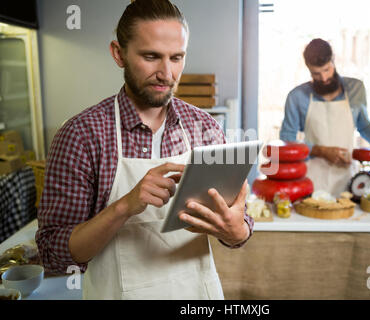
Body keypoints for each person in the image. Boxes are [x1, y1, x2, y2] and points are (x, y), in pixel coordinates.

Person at [36, 0, 253, 300]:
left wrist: (235, 231)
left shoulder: (205, 128)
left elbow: (240, 229)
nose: (167, 73)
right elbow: (53, 254)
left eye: (177, 57)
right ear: (118, 53)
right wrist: (125, 206)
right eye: (151, 56)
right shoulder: (81, 136)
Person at [280, 38, 370, 196]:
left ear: (333, 61)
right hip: (310, 182)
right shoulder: (297, 96)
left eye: (327, 70)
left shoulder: (356, 89)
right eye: (316, 73)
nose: (323, 78)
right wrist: (320, 151)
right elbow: (287, 140)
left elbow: (364, 126)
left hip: (347, 181)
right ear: (308, 69)